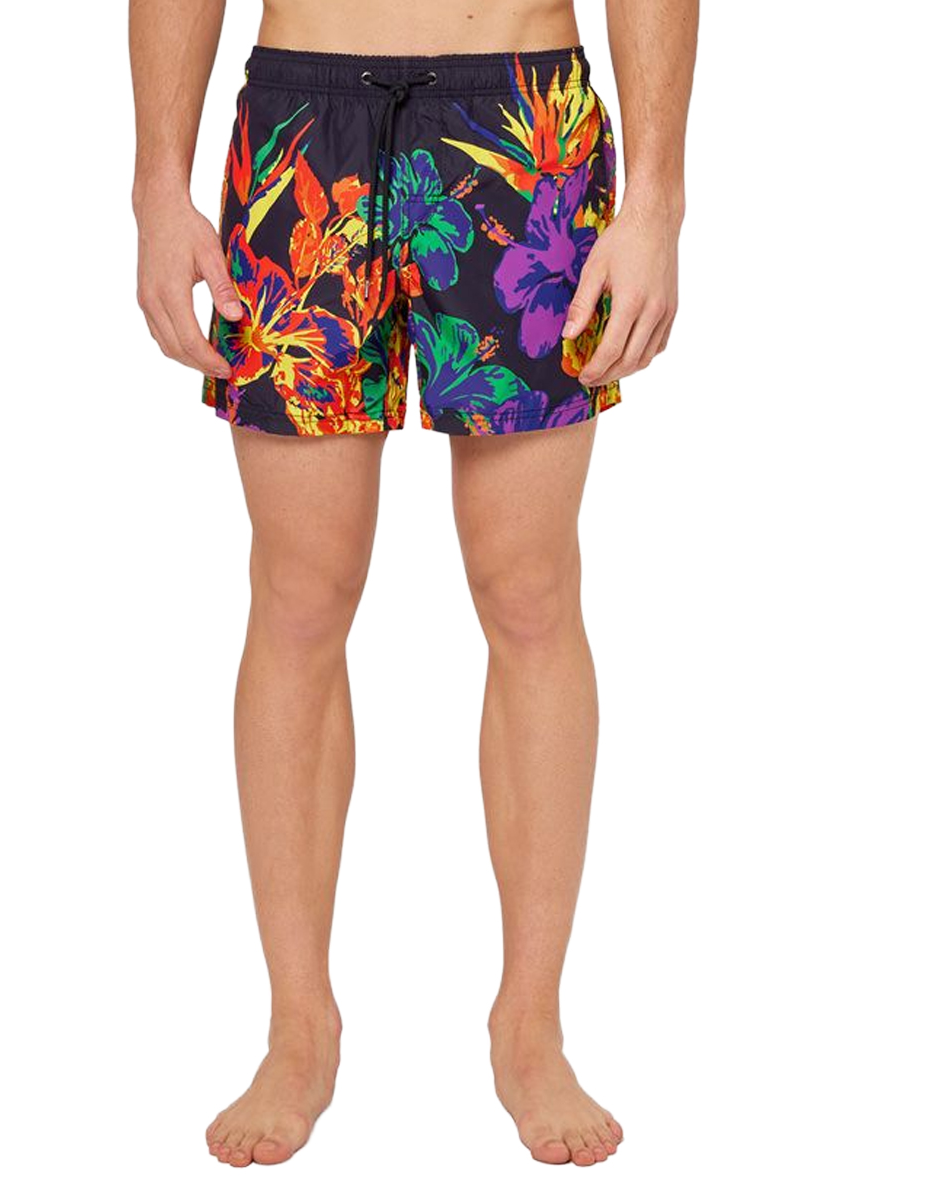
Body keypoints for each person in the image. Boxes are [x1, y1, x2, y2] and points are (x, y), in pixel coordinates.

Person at [130, 0, 697, 1169]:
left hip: (522, 120)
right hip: (303, 113)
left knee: (530, 593)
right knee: (298, 594)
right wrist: (155, 184)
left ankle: (529, 1024)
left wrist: (656, 198)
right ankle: (300, 1025)